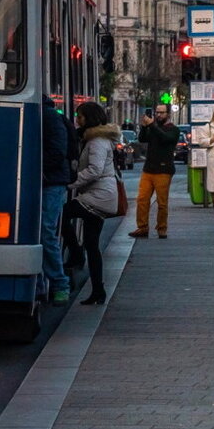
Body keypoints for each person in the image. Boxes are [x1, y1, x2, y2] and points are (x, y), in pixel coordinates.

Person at [62, 101, 119, 305]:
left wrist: (70, 183)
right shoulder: (95, 140)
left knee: (63, 215)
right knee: (92, 245)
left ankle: (76, 254)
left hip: (99, 196)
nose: (77, 119)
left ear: (89, 118)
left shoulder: (97, 142)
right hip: (100, 195)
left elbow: (94, 170)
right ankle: (98, 290)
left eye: (80, 116)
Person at [130, 103, 181, 239]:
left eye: (161, 112)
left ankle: (162, 228)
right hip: (148, 169)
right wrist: (144, 126)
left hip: (164, 169)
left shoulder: (173, 130)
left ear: (168, 114)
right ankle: (142, 227)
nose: (158, 115)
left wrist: (152, 125)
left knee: (162, 202)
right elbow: (142, 139)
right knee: (142, 199)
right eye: (157, 112)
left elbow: (166, 139)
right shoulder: (154, 128)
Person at [39, 95, 71, 306]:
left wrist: (38, 167)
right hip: (48, 180)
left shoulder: (50, 118)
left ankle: (60, 283)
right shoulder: (49, 116)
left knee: (45, 230)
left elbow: (58, 152)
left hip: (52, 182)